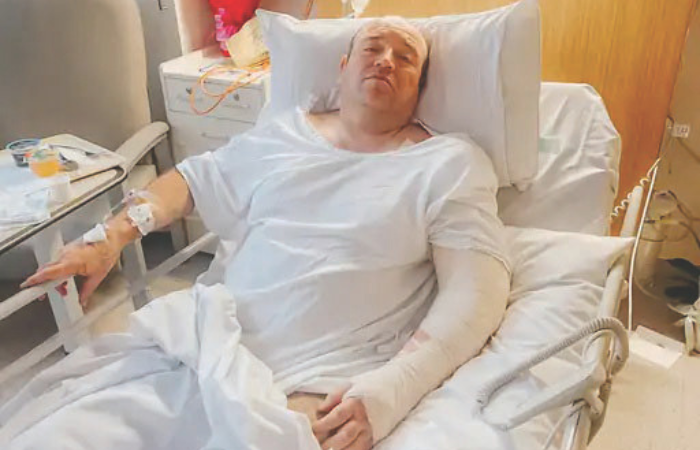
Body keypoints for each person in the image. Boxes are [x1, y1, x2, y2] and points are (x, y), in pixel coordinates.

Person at [19, 17, 509, 450]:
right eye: (373, 48)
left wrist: (394, 388)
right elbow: (192, 181)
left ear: (420, 87)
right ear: (342, 68)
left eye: (405, 58)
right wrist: (112, 235)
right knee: (56, 437)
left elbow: (476, 294)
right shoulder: (284, 136)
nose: (386, 61)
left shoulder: (448, 163)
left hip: (316, 380)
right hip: (206, 346)